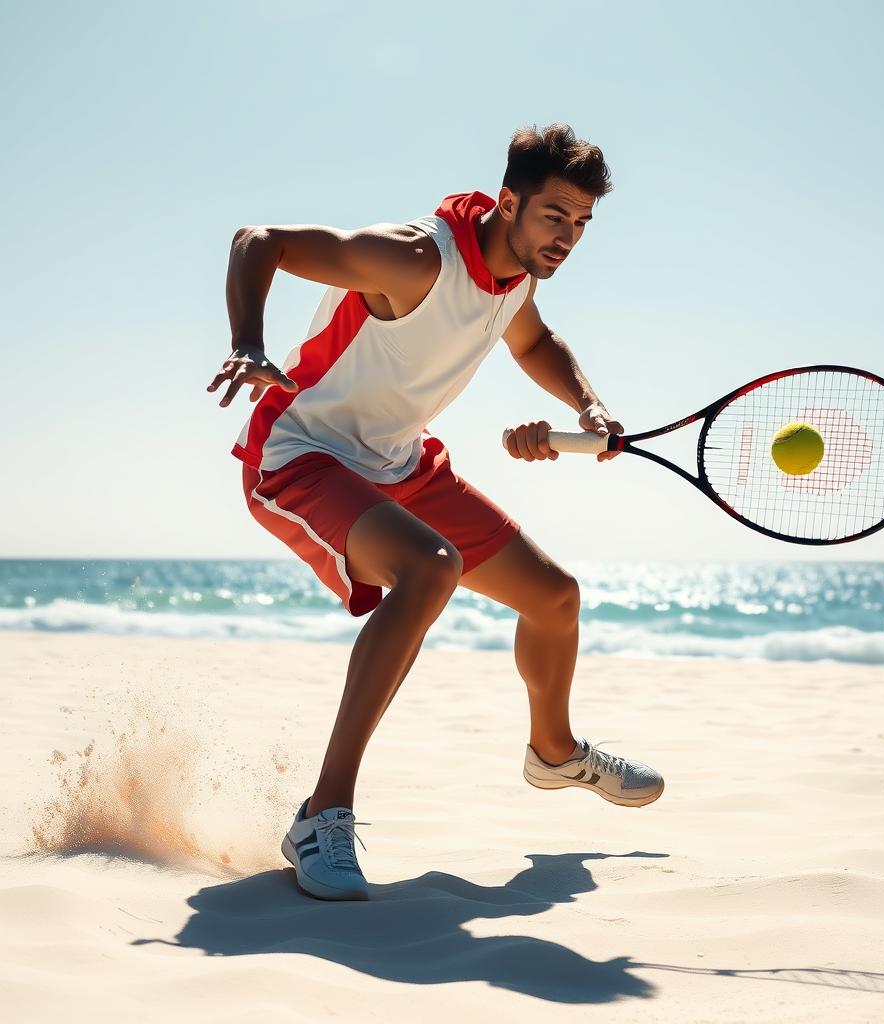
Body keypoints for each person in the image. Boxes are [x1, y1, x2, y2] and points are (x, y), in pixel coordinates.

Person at [208, 123, 664, 901]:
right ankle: (323, 815)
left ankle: (553, 753)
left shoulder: (517, 273)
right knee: (431, 569)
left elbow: (533, 342)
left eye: (582, 223)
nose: (568, 237)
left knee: (555, 599)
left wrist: (588, 405)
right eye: (556, 216)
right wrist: (249, 342)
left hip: (398, 460)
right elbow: (260, 240)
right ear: (508, 201)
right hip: (303, 454)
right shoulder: (417, 259)